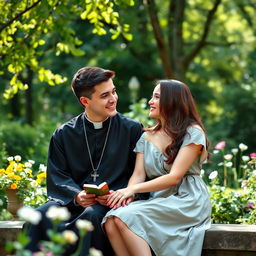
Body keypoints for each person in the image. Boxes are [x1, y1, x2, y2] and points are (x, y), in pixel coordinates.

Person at [26, 67, 143, 255]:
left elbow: (140, 173)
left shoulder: (132, 130)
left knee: (91, 216)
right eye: (105, 95)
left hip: (112, 206)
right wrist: (77, 196)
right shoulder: (64, 134)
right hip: (72, 204)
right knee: (38, 215)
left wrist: (119, 194)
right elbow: (57, 175)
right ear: (85, 101)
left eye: (114, 91)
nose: (113, 99)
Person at [102, 79, 212, 256]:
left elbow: (174, 177)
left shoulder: (193, 132)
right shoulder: (147, 137)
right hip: (160, 199)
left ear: (172, 101)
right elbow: (138, 174)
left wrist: (132, 190)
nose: (149, 102)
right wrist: (125, 196)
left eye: (156, 97)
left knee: (127, 218)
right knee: (111, 220)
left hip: (188, 200)